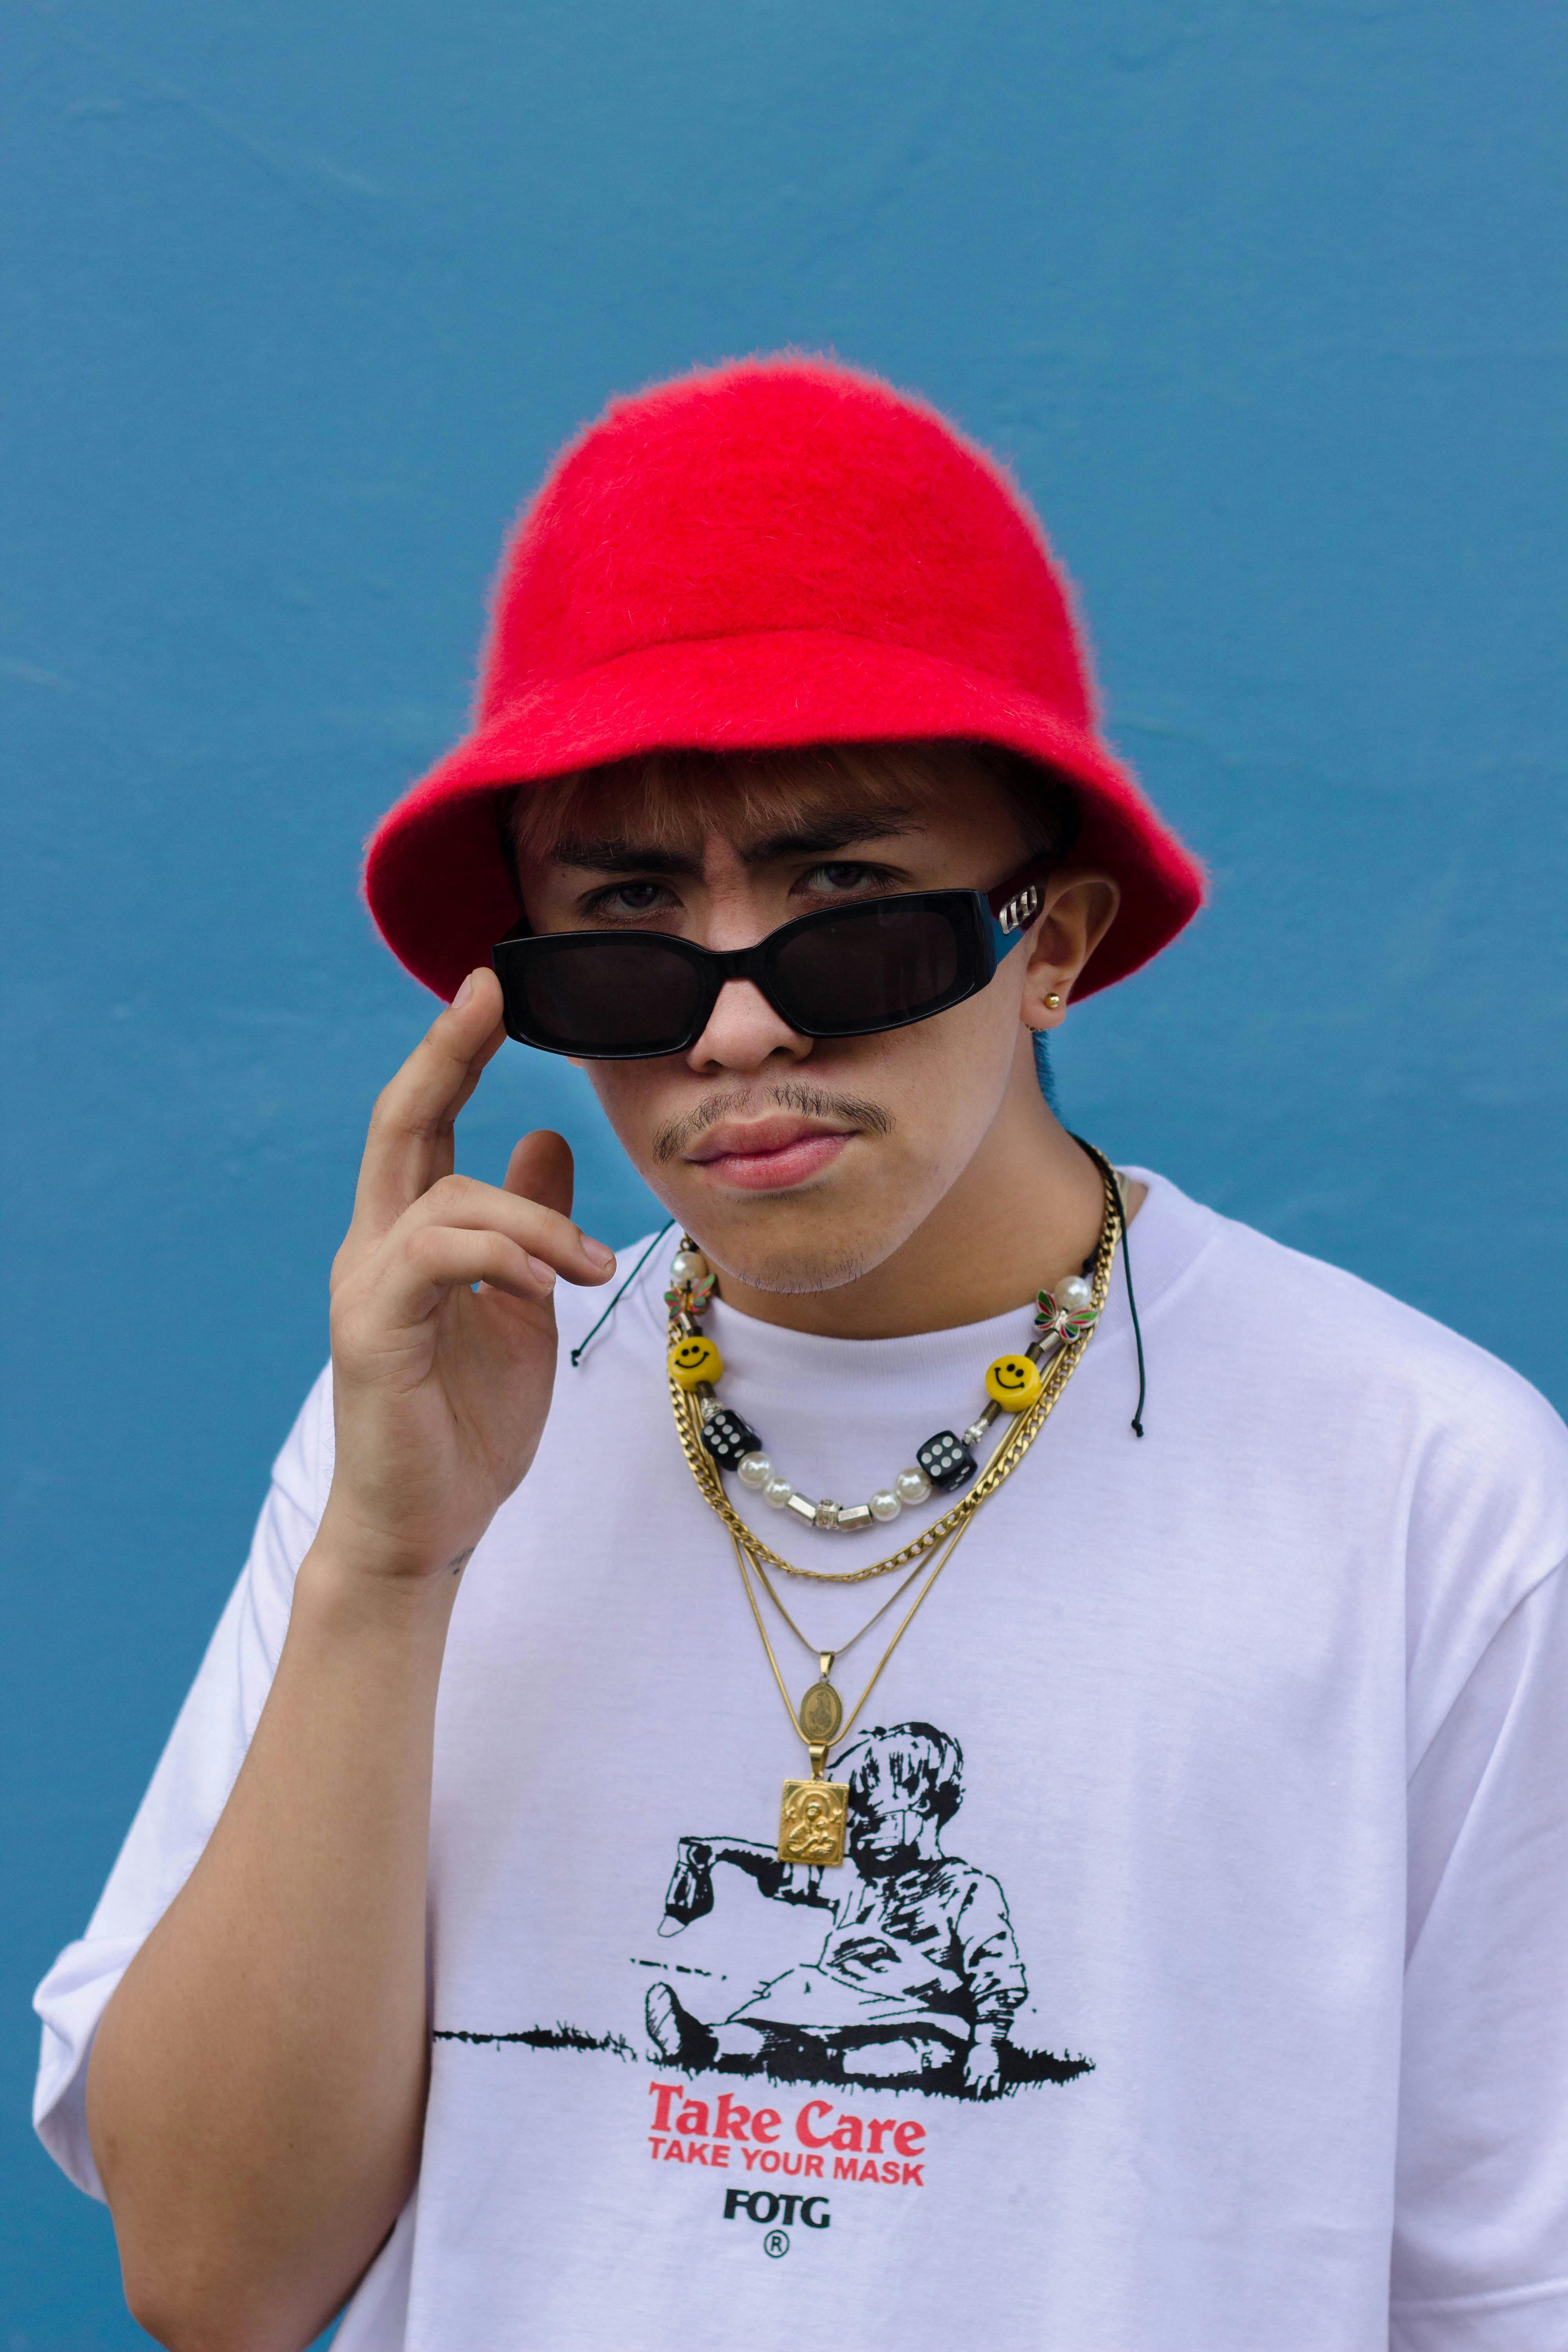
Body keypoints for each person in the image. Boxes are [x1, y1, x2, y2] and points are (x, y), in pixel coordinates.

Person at [33, 358, 1568, 2352]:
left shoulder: (1420, 1483)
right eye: (628, 933)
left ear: (1054, 945)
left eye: (848, 914)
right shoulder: (424, 1439)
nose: (736, 1030)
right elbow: (213, 2282)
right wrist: (386, 1572)